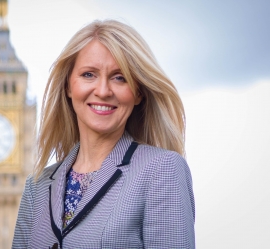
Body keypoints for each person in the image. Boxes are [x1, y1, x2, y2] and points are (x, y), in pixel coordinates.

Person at [12, 19, 195, 249]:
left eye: (120, 77)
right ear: (69, 86)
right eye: (89, 74)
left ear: (138, 93)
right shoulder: (36, 187)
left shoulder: (162, 170)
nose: (103, 91)